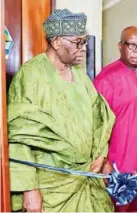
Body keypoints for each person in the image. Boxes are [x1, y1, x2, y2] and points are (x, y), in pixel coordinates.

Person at [8, 9, 115, 212]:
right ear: (56, 42)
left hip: (86, 183)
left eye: (84, 42)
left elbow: (100, 118)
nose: (83, 49)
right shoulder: (31, 76)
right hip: (51, 190)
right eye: (78, 42)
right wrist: (29, 189)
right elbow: (17, 137)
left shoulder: (80, 76)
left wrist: (101, 155)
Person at [93, 26, 137, 212]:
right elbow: (95, 124)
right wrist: (104, 160)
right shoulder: (105, 78)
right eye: (132, 46)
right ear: (120, 46)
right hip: (119, 165)